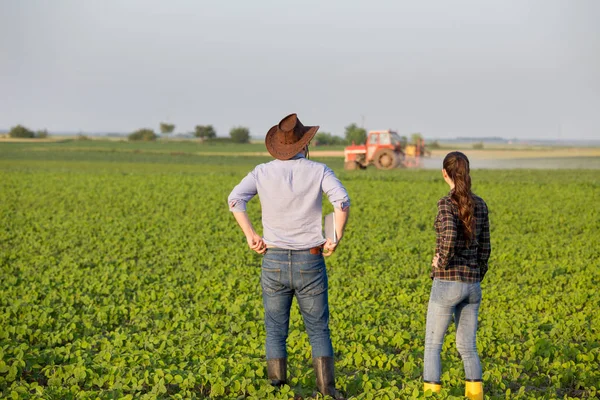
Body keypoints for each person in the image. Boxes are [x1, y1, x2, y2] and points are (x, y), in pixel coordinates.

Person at [228, 113, 350, 398]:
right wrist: (334, 238)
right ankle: (327, 389)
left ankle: (277, 388)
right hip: (311, 260)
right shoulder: (319, 170)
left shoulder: (261, 172)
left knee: (275, 329)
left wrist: (250, 235)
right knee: (319, 329)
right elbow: (341, 201)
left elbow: (235, 199)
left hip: (274, 260)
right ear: (304, 144)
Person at [423, 151, 491, 400]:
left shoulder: (446, 203)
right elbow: (485, 248)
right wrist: (476, 273)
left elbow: (449, 236)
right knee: (468, 347)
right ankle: (475, 397)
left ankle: (430, 397)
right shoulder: (480, 204)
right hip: (472, 285)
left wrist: (440, 261)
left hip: (448, 282)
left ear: (445, 173)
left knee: (433, 346)